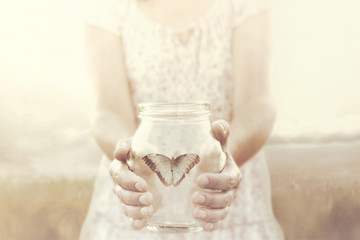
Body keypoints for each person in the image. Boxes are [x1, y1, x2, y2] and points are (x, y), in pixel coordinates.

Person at [80, 0, 284, 239]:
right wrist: (132, 160)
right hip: (138, 202)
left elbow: (256, 103)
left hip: (224, 202)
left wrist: (220, 160)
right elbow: (107, 110)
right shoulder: (109, 7)